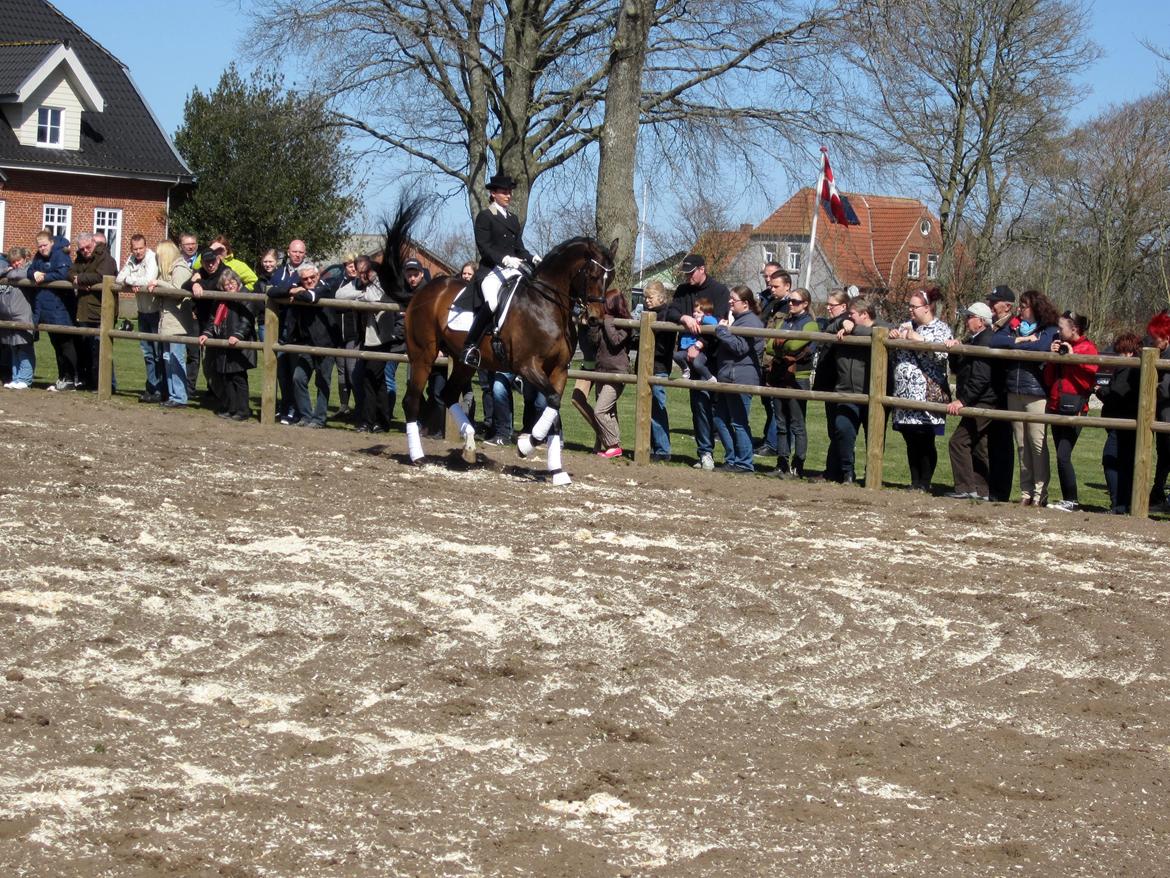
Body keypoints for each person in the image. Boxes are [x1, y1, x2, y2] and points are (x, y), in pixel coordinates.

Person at [461, 173, 538, 367]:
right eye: (504, 192)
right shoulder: (485, 216)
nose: (508, 195)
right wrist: (504, 259)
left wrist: (532, 257)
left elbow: (519, 248)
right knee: (493, 302)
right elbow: (484, 247)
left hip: (512, 269)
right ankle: (470, 345)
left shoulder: (513, 219)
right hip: (491, 271)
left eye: (510, 192)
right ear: (493, 193)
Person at [992, 289, 1060, 506]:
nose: (1020, 310)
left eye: (1024, 306)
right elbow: (995, 340)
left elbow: (1042, 346)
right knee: (1021, 444)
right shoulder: (1014, 326)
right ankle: (1026, 492)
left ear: (1036, 307)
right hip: (1014, 390)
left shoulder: (1049, 329)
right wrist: (1021, 339)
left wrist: (1019, 343)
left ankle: (1040, 493)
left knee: (1037, 443)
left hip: (1036, 392)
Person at [888, 287, 953, 493]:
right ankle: (914, 480)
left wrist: (920, 340)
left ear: (927, 307)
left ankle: (925, 481)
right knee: (910, 439)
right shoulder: (905, 326)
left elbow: (942, 355)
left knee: (925, 439)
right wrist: (894, 336)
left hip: (926, 395)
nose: (910, 309)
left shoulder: (940, 328)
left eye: (914, 306)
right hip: (904, 394)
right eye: (909, 306)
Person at [675, 254, 731, 471]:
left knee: (717, 409)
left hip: (712, 357)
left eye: (691, 273)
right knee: (698, 407)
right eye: (686, 273)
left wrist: (699, 344)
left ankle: (734, 456)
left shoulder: (719, 291)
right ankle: (705, 452)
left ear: (702, 269)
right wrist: (683, 318)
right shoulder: (682, 291)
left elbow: (719, 322)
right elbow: (671, 310)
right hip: (691, 358)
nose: (688, 277)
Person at [831, 296, 893, 484]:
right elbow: (827, 328)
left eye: (851, 314)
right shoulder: (844, 325)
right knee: (843, 429)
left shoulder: (883, 327)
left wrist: (854, 329)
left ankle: (871, 474)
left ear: (864, 314)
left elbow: (881, 333)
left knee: (874, 436)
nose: (848, 317)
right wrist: (842, 323)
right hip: (847, 392)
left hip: (875, 394)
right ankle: (847, 472)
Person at [943, 302, 999, 500]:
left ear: (981, 321)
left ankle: (966, 488)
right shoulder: (974, 340)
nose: (966, 321)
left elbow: (981, 377)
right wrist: (954, 351)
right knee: (978, 445)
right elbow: (960, 369)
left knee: (958, 442)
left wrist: (963, 400)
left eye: (970, 317)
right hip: (980, 399)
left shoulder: (985, 341)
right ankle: (981, 491)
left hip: (983, 400)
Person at [1043, 311, 1098, 511]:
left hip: (1075, 408)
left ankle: (1072, 500)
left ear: (1074, 329)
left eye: (1061, 328)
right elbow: (1049, 378)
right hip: (1056, 405)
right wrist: (1053, 357)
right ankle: (1069, 499)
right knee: (1060, 454)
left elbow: (1087, 381)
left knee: (1063, 455)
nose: (1058, 331)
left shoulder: (1088, 348)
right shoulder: (1061, 346)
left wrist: (1073, 358)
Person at [709, 286, 764, 473]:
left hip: (740, 377)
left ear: (745, 303)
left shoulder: (751, 322)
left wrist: (722, 331)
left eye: (734, 299)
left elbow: (740, 348)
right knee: (720, 419)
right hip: (729, 376)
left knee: (739, 422)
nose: (730, 302)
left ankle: (744, 463)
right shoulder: (740, 320)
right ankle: (732, 459)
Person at [337, 256, 393, 433]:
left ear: (371, 271)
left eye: (365, 272)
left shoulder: (380, 282)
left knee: (370, 378)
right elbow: (339, 295)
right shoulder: (357, 283)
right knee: (376, 380)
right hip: (364, 340)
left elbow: (374, 299)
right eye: (359, 272)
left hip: (379, 339)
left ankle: (368, 421)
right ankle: (380, 421)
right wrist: (361, 294)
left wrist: (360, 297)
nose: (362, 276)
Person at [765, 286, 816, 477]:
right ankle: (782, 463)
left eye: (795, 302)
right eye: (790, 301)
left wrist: (782, 343)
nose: (791, 304)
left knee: (797, 423)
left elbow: (795, 345)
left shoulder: (810, 324)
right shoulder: (785, 321)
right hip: (780, 374)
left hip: (798, 378)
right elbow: (770, 346)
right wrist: (783, 344)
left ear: (805, 304)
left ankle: (798, 464)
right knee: (780, 422)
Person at [197, 268, 256, 421]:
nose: (229, 286)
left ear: (237, 281)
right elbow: (213, 320)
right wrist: (206, 333)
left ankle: (243, 410)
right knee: (225, 376)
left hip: (239, 344)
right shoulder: (221, 299)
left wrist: (238, 335)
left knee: (238, 377)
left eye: (232, 283)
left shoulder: (246, 296)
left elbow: (247, 320)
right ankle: (231, 407)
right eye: (226, 284)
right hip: (223, 342)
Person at [287, 263, 339, 428]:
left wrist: (297, 292)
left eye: (312, 277)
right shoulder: (299, 287)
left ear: (318, 276)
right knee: (298, 378)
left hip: (326, 342)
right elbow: (274, 291)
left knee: (322, 381)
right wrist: (293, 290)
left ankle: (319, 419)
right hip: (306, 342)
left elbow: (312, 297)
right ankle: (306, 415)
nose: (309, 281)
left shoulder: (325, 286)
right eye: (305, 279)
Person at [583, 290, 632, 458]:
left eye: (605, 303)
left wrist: (608, 322)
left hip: (617, 373)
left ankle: (614, 445)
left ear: (612, 304)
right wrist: (594, 326)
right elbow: (594, 342)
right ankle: (605, 446)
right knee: (609, 412)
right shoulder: (604, 321)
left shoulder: (626, 323)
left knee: (600, 411)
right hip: (601, 371)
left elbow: (615, 341)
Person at [1097, 332, 1142, 514]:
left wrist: (1100, 391)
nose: (1117, 355)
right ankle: (1123, 503)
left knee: (1110, 459)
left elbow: (1116, 395)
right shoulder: (1131, 368)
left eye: (1120, 352)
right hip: (1125, 421)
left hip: (1122, 422)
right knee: (1124, 462)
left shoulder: (1128, 369)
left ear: (1129, 352)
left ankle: (1119, 504)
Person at [267, 239, 310, 423]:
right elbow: (272, 290)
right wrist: (292, 289)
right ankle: (285, 407)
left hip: (297, 330)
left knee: (295, 374)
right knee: (281, 373)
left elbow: (307, 290)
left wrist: (287, 289)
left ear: (305, 254)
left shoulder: (307, 272)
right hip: (279, 328)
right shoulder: (279, 272)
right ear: (288, 252)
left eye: (301, 252)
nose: (297, 255)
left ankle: (295, 409)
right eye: (295, 251)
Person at [116, 234, 162, 402]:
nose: (138, 252)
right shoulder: (131, 260)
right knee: (147, 352)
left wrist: (132, 281)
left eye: (141, 248)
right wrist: (132, 281)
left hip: (155, 311)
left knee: (158, 352)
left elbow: (149, 279)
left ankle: (160, 389)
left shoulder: (151, 258)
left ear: (146, 246)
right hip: (142, 312)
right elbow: (119, 278)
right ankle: (151, 387)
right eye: (135, 249)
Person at [69, 231, 118, 390]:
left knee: (102, 349)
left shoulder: (106, 258)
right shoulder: (80, 258)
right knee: (87, 349)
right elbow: (70, 272)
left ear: (93, 243)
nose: (85, 251)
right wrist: (77, 279)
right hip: (84, 310)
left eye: (87, 247)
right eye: (81, 249)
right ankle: (90, 381)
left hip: (101, 310)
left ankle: (108, 385)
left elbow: (101, 276)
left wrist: (80, 279)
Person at [150, 240, 194, 407]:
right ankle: (173, 395)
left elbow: (177, 291)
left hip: (177, 323)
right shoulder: (168, 271)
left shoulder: (180, 268)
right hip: (167, 321)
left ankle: (180, 397)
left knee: (176, 359)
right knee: (168, 358)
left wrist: (158, 284)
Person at [983, 285, 1017, 501]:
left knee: (1003, 441)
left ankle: (1001, 490)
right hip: (992, 389)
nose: (991, 305)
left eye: (995, 302)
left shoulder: (1013, 326)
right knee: (992, 441)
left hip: (1004, 389)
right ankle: (991, 487)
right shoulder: (993, 326)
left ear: (1007, 306)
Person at [811, 289, 850, 480]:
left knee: (839, 429)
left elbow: (846, 323)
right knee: (833, 430)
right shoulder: (833, 323)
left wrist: (844, 324)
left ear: (843, 306)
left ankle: (838, 471)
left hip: (839, 383)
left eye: (832, 305)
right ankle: (834, 470)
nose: (828, 308)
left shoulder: (844, 321)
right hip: (831, 383)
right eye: (827, 304)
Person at [642, 280, 682, 461]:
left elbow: (663, 344)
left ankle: (663, 449)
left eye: (650, 297)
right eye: (645, 298)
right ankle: (650, 446)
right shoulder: (648, 314)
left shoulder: (666, 314)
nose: (647, 301)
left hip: (658, 366)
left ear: (660, 297)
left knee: (657, 407)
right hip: (646, 366)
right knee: (646, 408)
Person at [332, 255, 361, 419]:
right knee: (341, 371)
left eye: (355, 265)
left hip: (353, 335)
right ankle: (344, 406)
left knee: (352, 370)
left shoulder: (360, 284)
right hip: (338, 334)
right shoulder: (338, 283)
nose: (353, 269)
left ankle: (359, 406)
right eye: (350, 266)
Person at [1, 249, 35, 389]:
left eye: (18, 261)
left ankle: (25, 378)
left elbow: (23, 273)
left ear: (24, 258)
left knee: (24, 347)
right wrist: (7, 270)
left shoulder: (30, 269)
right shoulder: (8, 270)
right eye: (13, 262)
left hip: (23, 315)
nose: (16, 264)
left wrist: (9, 273)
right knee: (13, 347)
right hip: (9, 317)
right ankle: (16, 377)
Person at [1148, 312, 1170, 512]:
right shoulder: (1159, 354)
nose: (1152, 341)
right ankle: (1157, 495)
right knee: (1163, 455)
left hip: (1166, 413)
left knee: (1165, 454)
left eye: (1155, 338)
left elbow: (1165, 389)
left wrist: (1150, 387)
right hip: (1163, 412)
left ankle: (1158, 496)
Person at [674, 298, 718, 380]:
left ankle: (710, 377)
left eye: (698, 312)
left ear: (707, 314)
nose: (695, 314)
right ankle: (685, 369)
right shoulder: (692, 321)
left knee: (697, 364)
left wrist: (702, 319)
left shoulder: (706, 321)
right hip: (687, 349)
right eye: (694, 311)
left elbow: (714, 322)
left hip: (702, 351)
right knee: (676, 356)